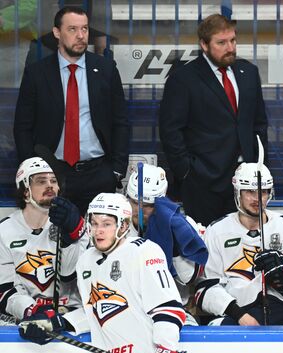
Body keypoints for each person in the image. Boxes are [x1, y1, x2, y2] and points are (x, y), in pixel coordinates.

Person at [19, 193, 186, 353]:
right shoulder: (85, 261)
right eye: (94, 223)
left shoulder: (144, 251)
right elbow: (95, 310)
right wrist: (58, 322)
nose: (98, 230)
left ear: (123, 226)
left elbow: (168, 309)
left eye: (107, 224)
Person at [13, 5, 129, 216]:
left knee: (99, 238)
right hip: (53, 174)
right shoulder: (37, 74)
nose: (81, 36)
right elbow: (23, 126)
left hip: (99, 173)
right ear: (57, 32)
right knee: (53, 240)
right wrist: (33, 171)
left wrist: (116, 170)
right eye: (73, 29)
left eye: (84, 29)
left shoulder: (105, 69)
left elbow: (120, 121)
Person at [159, 13, 268, 227]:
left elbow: (258, 124)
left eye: (233, 40)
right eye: (221, 42)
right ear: (204, 45)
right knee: (207, 250)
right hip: (203, 184)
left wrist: (259, 166)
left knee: (246, 247)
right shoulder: (183, 79)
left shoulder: (248, 73)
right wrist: (188, 172)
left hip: (247, 183)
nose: (230, 47)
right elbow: (170, 131)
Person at [195, 163, 283, 325]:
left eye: (263, 192)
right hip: (233, 312)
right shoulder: (217, 231)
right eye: (250, 192)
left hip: (282, 309)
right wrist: (239, 315)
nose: (257, 198)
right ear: (237, 192)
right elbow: (205, 289)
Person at [0, 157, 87, 324]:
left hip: (70, 316)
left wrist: (70, 239)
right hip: (26, 317)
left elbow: (70, 277)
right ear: (25, 191)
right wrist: (31, 309)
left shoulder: (74, 222)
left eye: (53, 181)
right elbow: (4, 291)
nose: (50, 185)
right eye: (41, 181)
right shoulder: (4, 232)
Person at [125, 163, 209, 325]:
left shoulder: (183, 225)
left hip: (174, 309)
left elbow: (188, 278)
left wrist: (175, 246)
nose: (139, 210)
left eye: (148, 205)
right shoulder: (114, 225)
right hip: (128, 310)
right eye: (135, 202)